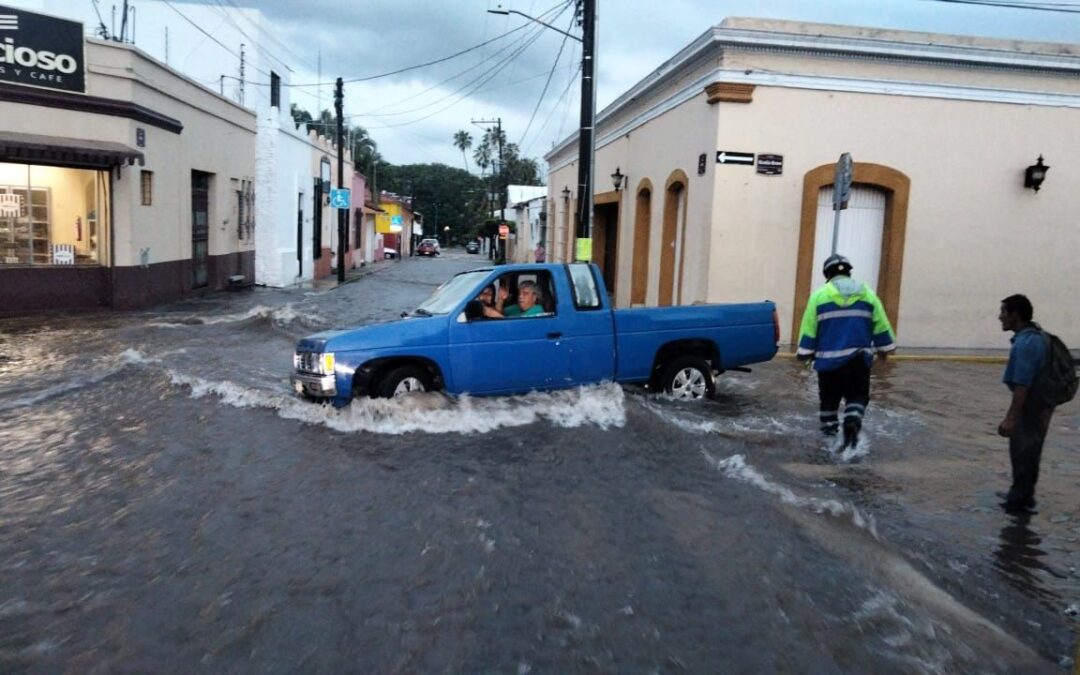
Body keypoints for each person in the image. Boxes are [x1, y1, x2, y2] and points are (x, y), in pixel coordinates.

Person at [797, 254, 896, 450]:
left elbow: (809, 328)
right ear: (849, 272)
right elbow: (881, 323)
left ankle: (828, 442)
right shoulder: (867, 294)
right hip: (858, 361)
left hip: (828, 365)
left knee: (828, 401)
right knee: (858, 396)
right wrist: (884, 349)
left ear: (827, 274)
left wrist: (805, 354)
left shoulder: (819, 296)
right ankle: (852, 420)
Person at [997, 294, 1052, 513]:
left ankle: (1019, 505)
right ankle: (1023, 496)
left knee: (1023, 453)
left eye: (1003, 312)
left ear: (1015, 314)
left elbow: (1023, 385)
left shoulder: (1027, 344)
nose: (1000, 317)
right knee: (1029, 452)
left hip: (1030, 408)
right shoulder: (1037, 337)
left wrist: (1011, 418)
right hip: (1040, 406)